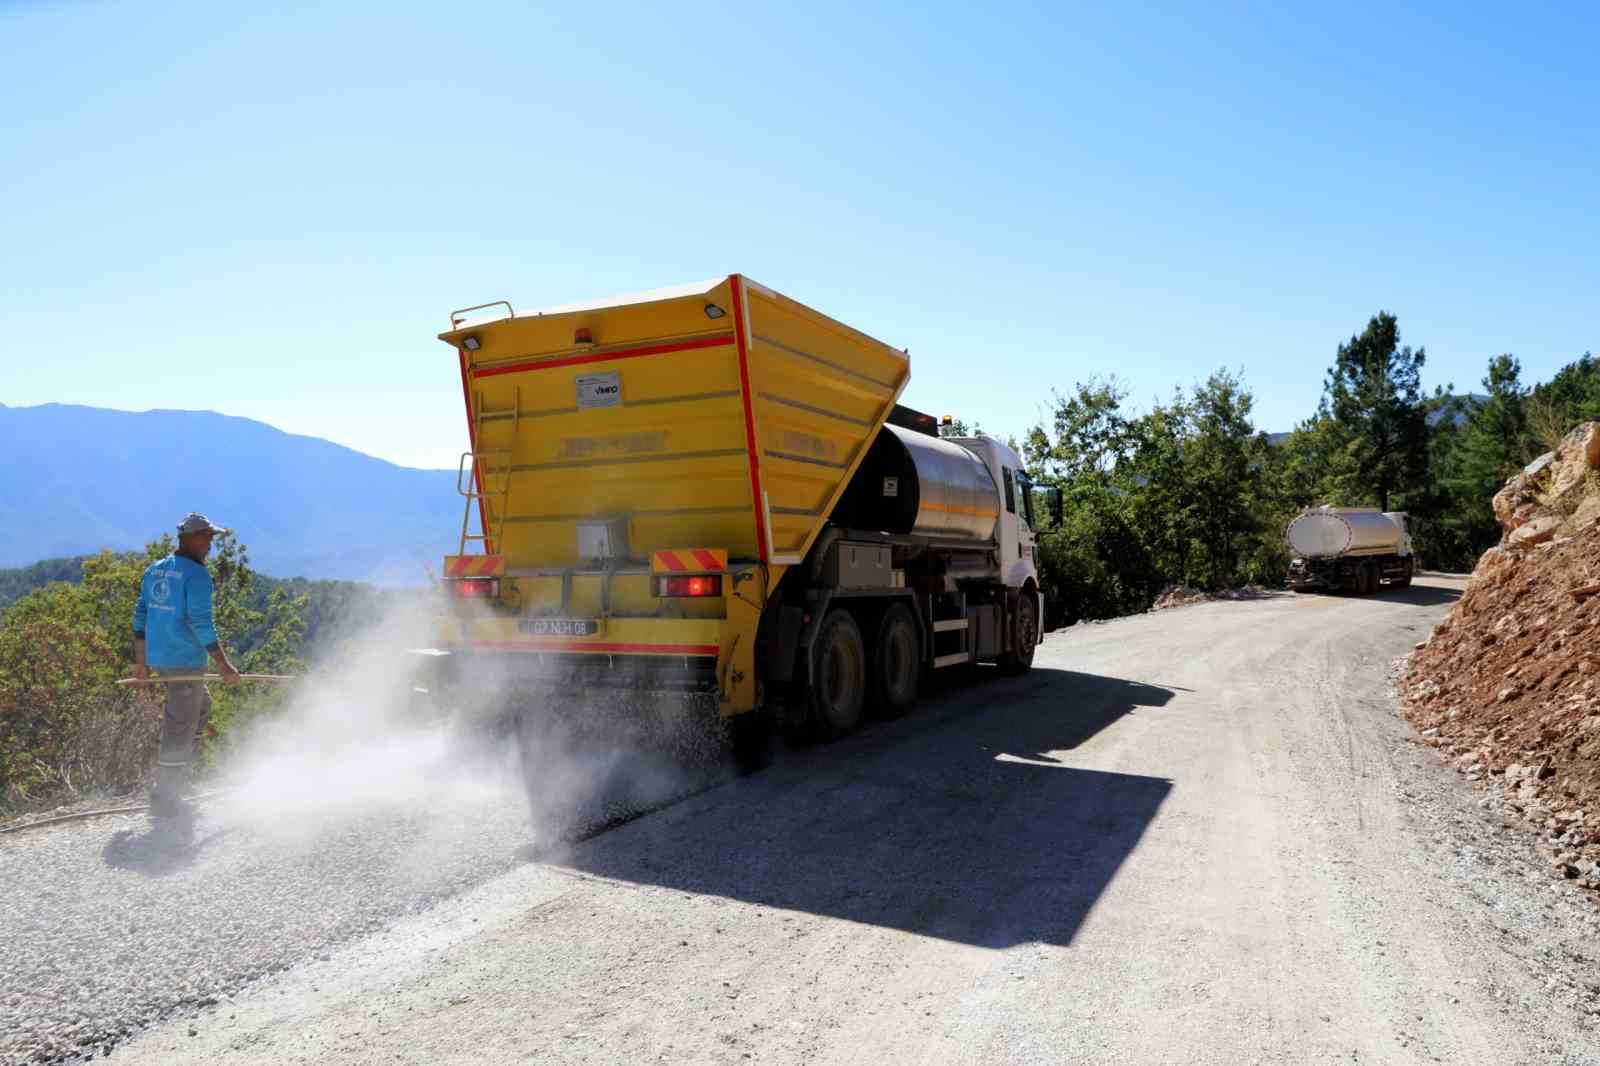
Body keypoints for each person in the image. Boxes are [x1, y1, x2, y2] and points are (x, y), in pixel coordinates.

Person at [132, 513, 241, 817]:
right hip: (184, 663)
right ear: (191, 538)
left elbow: (140, 616)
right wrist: (224, 665)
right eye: (207, 537)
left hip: (162, 659)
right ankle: (166, 796)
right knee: (179, 727)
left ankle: (178, 778)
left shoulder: (156, 569)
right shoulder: (196, 575)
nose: (211, 543)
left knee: (201, 708)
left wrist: (141, 663)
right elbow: (201, 624)